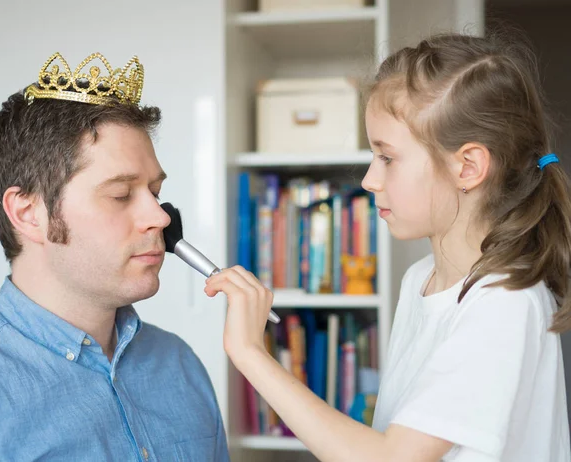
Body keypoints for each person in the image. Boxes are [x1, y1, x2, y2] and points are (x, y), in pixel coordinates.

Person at [206, 32, 571, 461]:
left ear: (468, 166)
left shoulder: (503, 301)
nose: (368, 179)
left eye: (387, 157)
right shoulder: (422, 279)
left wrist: (251, 353)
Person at [0, 52, 229, 461]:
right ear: (28, 213)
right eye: (120, 194)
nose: (160, 216)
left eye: (156, 192)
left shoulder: (180, 366)